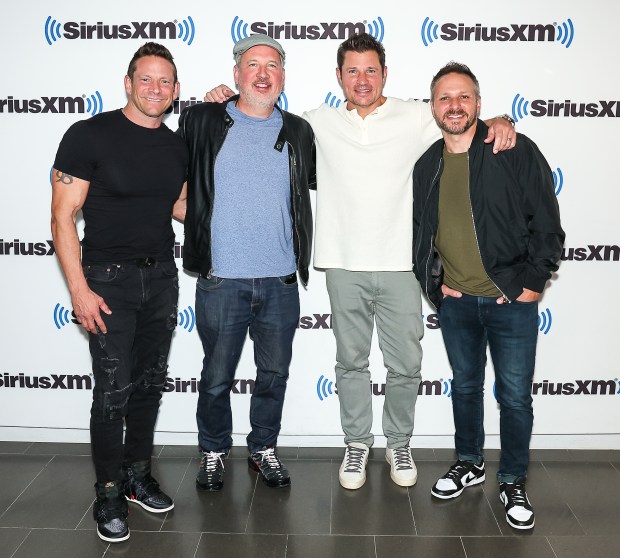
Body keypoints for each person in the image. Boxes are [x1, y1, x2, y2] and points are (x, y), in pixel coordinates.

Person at [205, 33, 514, 490]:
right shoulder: (315, 123)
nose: (362, 79)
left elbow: (460, 121)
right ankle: (356, 443)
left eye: (371, 70)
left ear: (385, 74)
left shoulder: (415, 115)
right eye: (352, 71)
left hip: (402, 266)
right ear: (339, 77)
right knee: (350, 363)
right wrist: (223, 97)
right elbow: (259, 112)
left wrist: (501, 119)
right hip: (343, 265)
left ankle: (398, 443)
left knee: (405, 364)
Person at [413, 62, 564, 529]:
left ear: (478, 103)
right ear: (433, 106)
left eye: (463, 97)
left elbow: (546, 222)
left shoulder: (511, 150)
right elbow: (424, 233)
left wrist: (532, 284)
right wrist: (437, 285)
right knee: (464, 386)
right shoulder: (427, 164)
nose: (454, 106)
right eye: (444, 98)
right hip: (458, 304)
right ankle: (470, 462)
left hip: (510, 303)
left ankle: (513, 479)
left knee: (515, 396)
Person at [51, 42, 188, 543]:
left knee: (149, 384)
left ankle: (135, 474)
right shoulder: (89, 135)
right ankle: (107, 489)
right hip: (107, 280)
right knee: (113, 390)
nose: (156, 89)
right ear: (128, 83)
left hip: (162, 278)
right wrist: (79, 290)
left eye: (165, 81)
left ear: (176, 91)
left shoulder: (177, 145)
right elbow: (62, 216)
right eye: (146, 79)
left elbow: (179, 207)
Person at [176, 34, 314, 491]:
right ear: (236, 75)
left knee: (273, 374)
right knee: (216, 376)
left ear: (282, 77)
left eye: (272, 65)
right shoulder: (202, 120)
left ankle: (263, 448)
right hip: (221, 280)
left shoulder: (297, 130)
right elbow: (172, 184)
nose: (262, 73)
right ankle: (213, 451)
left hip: (280, 279)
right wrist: (194, 215)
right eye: (252, 64)